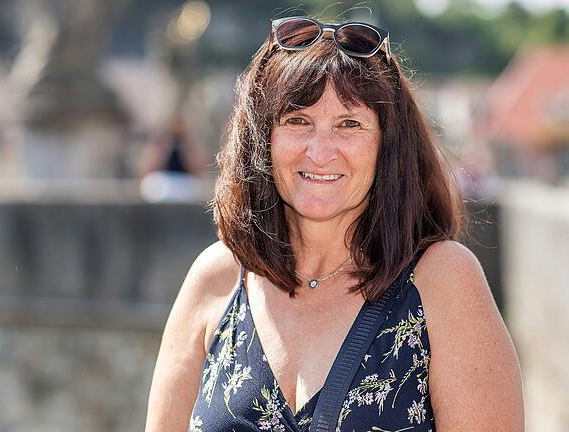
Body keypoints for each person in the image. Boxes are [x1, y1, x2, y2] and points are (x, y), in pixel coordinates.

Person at [145, 16, 524, 431]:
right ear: (261, 139)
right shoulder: (216, 278)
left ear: (387, 145)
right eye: (297, 121)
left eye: (349, 125)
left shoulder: (442, 281)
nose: (320, 152)